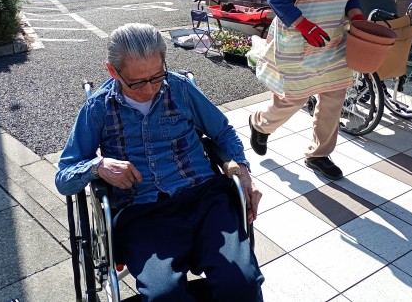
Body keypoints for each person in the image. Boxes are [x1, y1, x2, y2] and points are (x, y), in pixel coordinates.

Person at [55, 23, 264, 302]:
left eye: (157, 76)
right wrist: (98, 167)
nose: (151, 89)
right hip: (143, 213)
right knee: (164, 296)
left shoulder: (179, 88)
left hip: (204, 199)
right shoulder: (99, 108)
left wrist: (244, 172)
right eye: (137, 82)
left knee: (242, 284)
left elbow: (223, 132)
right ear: (113, 71)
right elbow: (64, 177)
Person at [248, 0, 366, 181]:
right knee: (293, 99)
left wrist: (357, 16)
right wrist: (304, 25)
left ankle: (319, 154)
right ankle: (260, 124)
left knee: (333, 98)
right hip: (300, 41)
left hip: (334, 42)